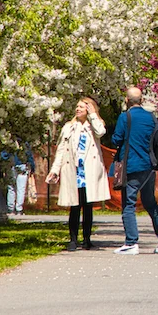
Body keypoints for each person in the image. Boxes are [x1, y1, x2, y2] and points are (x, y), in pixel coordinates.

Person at [109, 86, 158, 255]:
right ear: (142, 101)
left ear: (126, 100)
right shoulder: (150, 117)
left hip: (131, 166)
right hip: (149, 166)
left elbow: (116, 139)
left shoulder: (125, 117)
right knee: (150, 202)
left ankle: (131, 242)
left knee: (128, 204)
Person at [47, 97, 110, 251]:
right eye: (77, 106)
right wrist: (55, 170)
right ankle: (73, 239)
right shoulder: (69, 127)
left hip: (88, 171)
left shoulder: (95, 125)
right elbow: (61, 150)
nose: (78, 109)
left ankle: (87, 239)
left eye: (82, 107)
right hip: (73, 170)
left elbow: (101, 132)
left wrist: (93, 115)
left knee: (87, 205)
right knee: (74, 206)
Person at [2, 144, 34, 215]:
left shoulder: (9, 141)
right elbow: (29, 155)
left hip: (11, 165)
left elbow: (4, 155)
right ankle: (19, 209)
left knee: (11, 188)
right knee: (21, 189)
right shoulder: (24, 142)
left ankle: (10, 209)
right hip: (22, 165)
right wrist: (32, 167)